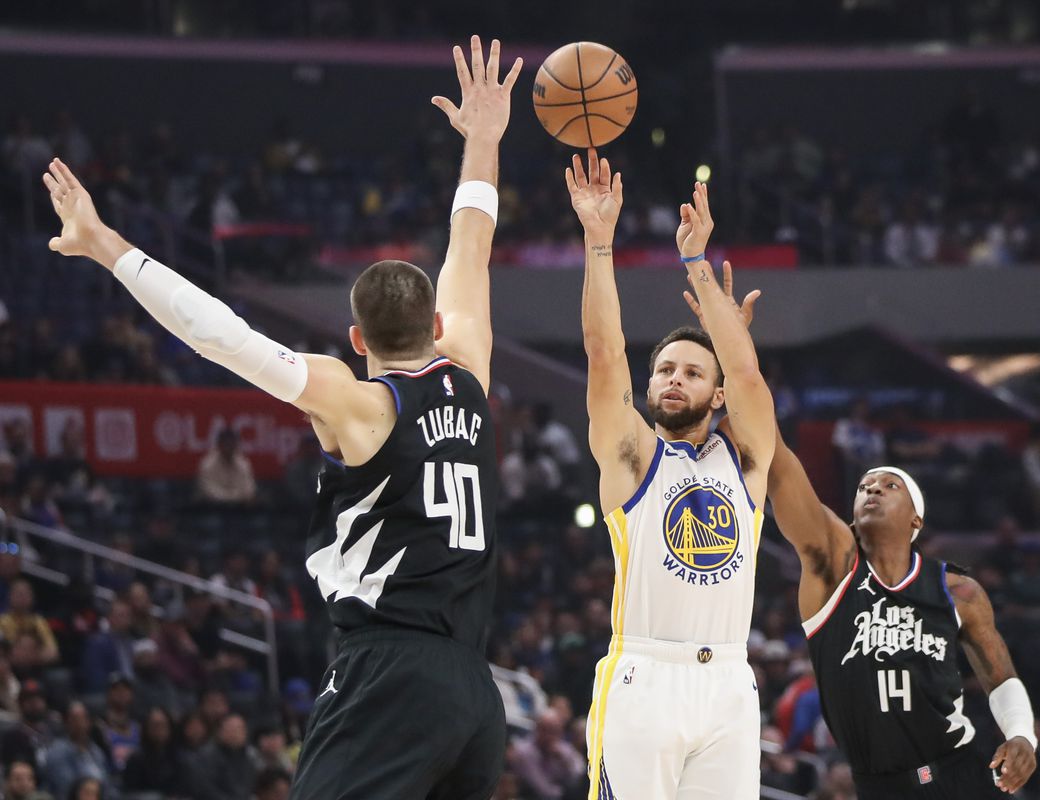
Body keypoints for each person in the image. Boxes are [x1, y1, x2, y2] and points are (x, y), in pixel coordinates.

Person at [42, 35, 521, 800]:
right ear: (434, 323)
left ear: (358, 339)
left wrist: (107, 248)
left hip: (386, 676)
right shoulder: (469, 365)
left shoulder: (359, 400)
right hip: (474, 687)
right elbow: (473, 239)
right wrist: (486, 141)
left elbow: (222, 337)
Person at [683, 274, 1037, 798]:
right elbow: (773, 456)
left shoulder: (956, 590)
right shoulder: (833, 564)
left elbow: (997, 672)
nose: (871, 488)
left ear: (916, 519)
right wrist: (733, 351)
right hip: (877, 785)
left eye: (889, 485)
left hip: (958, 774)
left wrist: (1022, 734)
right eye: (865, 485)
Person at [566, 151, 775, 799]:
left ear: (716, 398)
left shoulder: (745, 461)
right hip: (644, 677)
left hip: (729, 685)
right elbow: (603, 352)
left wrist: (697, 266)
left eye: (690, 372)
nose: (673, 379)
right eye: (663, 370)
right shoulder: (632, 456)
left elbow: (746, 376)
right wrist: (599, 242)